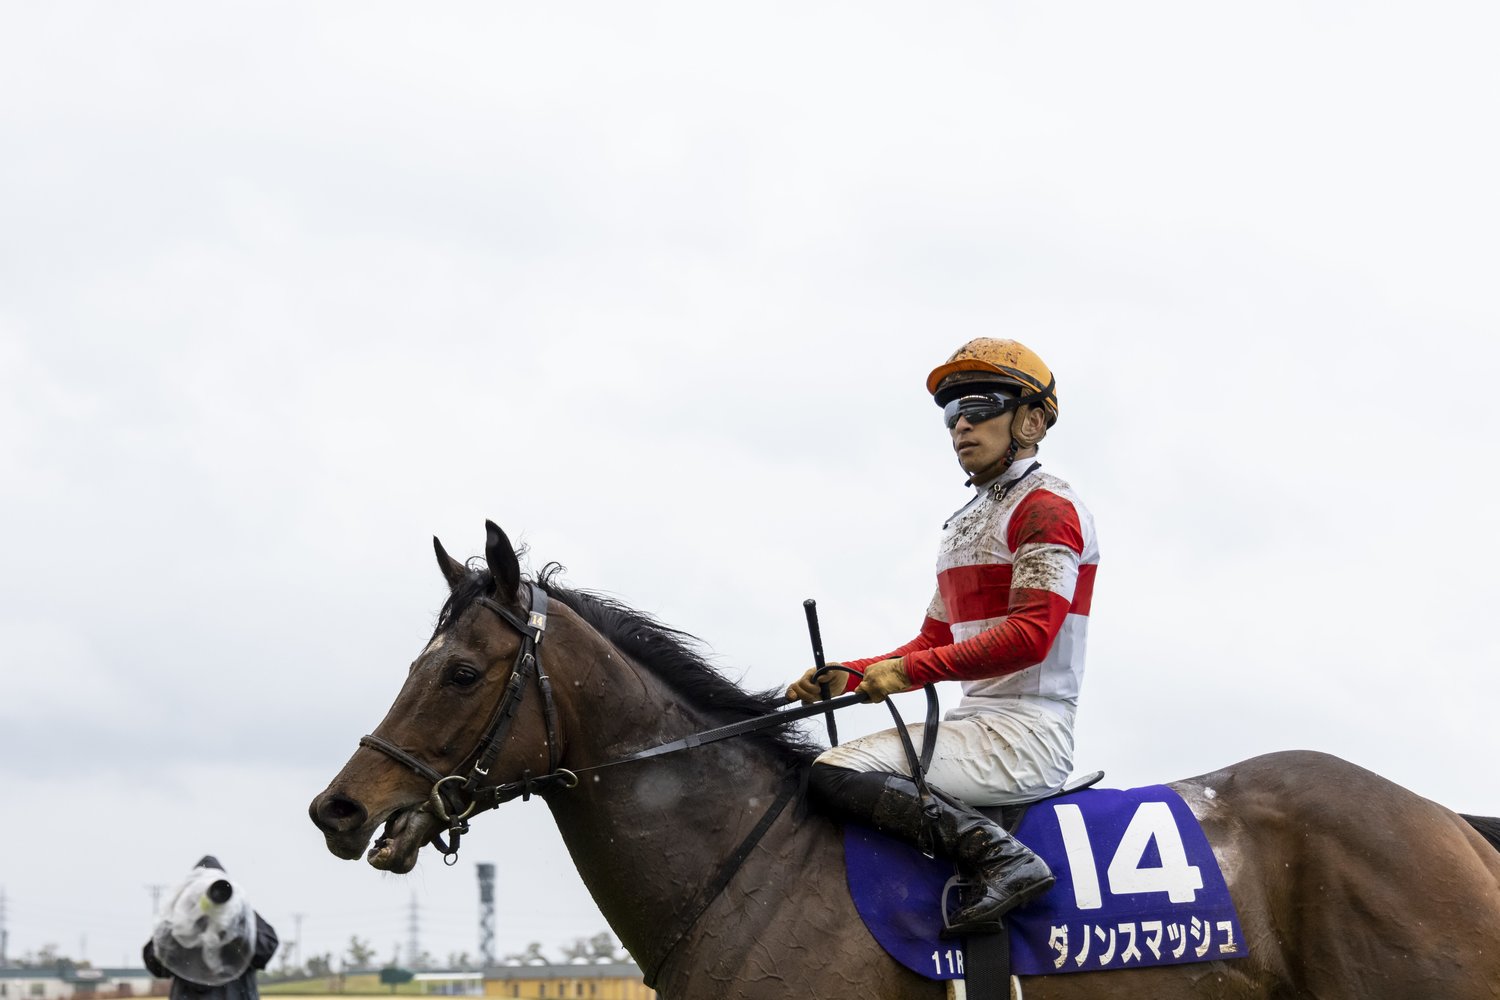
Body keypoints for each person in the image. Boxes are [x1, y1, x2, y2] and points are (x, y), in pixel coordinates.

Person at [787, 338, 1099, 932]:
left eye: (980, 407)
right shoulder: (964, 523)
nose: (962, 426)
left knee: (834, 771)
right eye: (952, 414)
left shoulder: (1048, 508)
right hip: (977, 723)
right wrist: (850, 674)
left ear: (1032, 420)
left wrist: (905, 674)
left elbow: (1030, 636)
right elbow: (931, 641)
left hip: (1027, 734)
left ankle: (1004, 860)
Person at [143, 856, 279, 1000]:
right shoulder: (180, 924)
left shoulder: (239, 918)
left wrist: (236, 914)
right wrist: (182, 919)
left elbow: (265, 950)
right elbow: (155, 962)